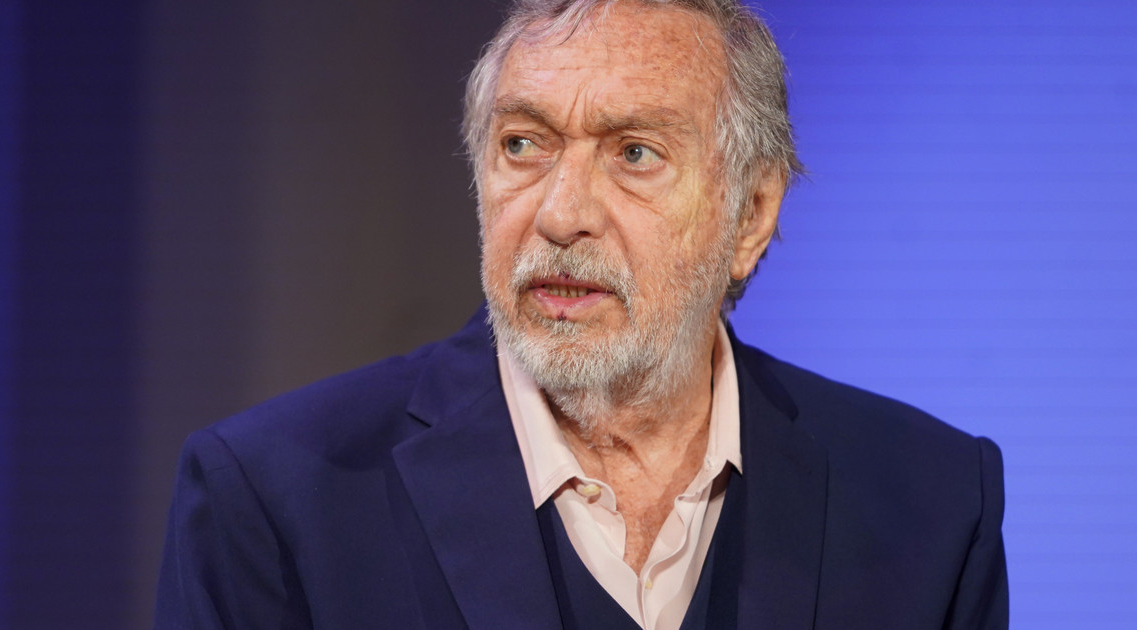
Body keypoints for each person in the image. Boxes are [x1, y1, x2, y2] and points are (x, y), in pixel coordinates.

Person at [154, 0, 1008, 628]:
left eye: (635, 153)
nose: (561, 215)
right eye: (523, 145)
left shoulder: (929, 506)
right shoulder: (272, 500)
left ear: (750, 215)